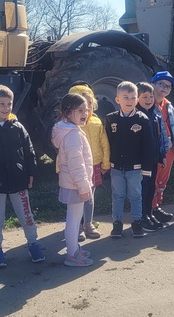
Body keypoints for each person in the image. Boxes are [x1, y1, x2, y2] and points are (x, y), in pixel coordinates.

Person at [0, 85, 44, 268]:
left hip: (18, 180)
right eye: (1, 104)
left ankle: (33, 243)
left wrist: (31, 172)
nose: (6, 108)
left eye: (9, 104)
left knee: (26, 215)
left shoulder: (18, 127)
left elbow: (29, 151)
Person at [105, 81, 157, 238]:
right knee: (118, 196)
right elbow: (107, 143)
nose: (129, 101)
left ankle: (136, 223)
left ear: (137, 100)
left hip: (135, 168)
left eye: (133, 98)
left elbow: (149, 146)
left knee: (135, 196)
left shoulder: (143, 119)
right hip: (116, 167)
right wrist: (106, 163)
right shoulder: (110, 119)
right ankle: (117, 224)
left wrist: (146, 168)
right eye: (125, 97)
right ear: (117, 99)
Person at [52, 93, 95, 267]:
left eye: (86, 110)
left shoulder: (70, 131)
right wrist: (83, 186)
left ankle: (74, 249)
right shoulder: (73, 135)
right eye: (80, 110)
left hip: (72, 183)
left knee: (74, 219)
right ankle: (72, 254)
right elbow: (76, 164)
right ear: (68, 112)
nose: (85, 113)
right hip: (75, 185)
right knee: (74, 221)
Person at [67, 83, 109, 241]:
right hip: (76, 167)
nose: (87, 108)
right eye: (82, 105)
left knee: (90, 196)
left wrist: (105, 163)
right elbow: (61, 149)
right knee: (76, 197)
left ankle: (88, 224)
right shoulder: (68, 125)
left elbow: (104, 143)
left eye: (90, 103)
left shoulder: (97, 122)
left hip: (93, 165)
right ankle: (76, 226)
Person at [135, 82, 166, 230]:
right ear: (137, 98)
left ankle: (148, 213)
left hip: (153, 159)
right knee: (143, 188)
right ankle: (142, 217)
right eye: (144, 97)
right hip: (141, 161)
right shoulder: (136, 116)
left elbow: (158, 138)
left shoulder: (154, 114)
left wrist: (161, 155)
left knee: (151, 187)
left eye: (151, 96)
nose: (149, 100)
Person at [150, 71, 174, 223]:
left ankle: (157, 206)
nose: (165, 88)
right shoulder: (147, 104)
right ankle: (150, 208)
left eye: (168, 86)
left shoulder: (169, 106)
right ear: (153, 84)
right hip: (155, 149)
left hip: (169, 148)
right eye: (161, 84)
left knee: (162, 180)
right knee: (153, 179)